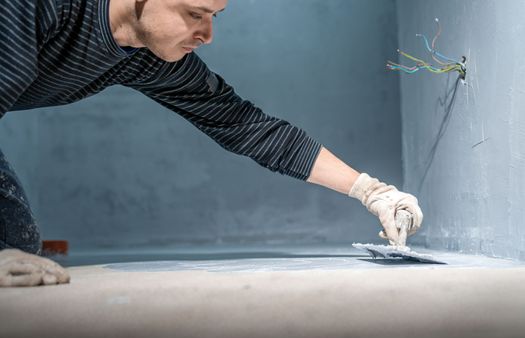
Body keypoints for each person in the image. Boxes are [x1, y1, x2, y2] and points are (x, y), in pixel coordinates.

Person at [0, 0, 423, 287]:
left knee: (20, 249)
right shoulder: (36, 8)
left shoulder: (150, 58)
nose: (207, 34)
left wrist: (372, 191)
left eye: (215, 16)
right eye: (195, 13)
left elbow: (247, 126)